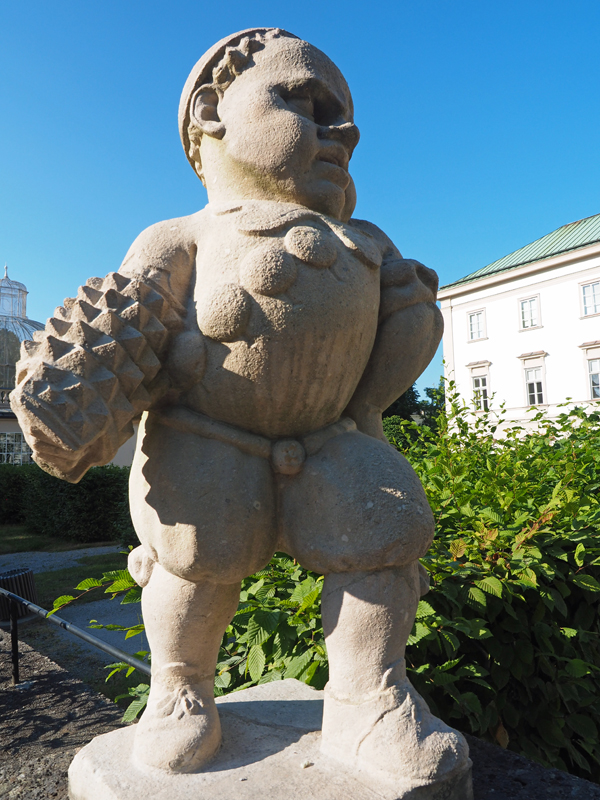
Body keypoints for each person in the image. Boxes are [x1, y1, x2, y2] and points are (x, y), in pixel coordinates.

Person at [11, 28, 470, 792]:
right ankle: (180, 685)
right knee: (195, 559)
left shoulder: (365, 242)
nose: (341, 130)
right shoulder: (181, 236)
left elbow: (392, 358)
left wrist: (409, 320)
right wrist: (82, 389)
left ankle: (368, 697)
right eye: (304, 102)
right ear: (210, 111)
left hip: (332, 440)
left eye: (344, 117)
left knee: (385, 536)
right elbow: (121, 330)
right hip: (207, 439)